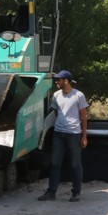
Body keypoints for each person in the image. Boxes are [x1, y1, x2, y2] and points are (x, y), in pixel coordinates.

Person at [38, 70, 89, 202]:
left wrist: (84, 136)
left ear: (66, 81)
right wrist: (60, 124)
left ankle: (76, 192)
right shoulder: (56, 95)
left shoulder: (78, 95)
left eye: (58, 80)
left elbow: (83, 116)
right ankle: (51, 192)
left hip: (74, 134)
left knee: (75, 164)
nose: (56, 82)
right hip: (59, 134)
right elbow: (56, 111)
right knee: (55, 163)